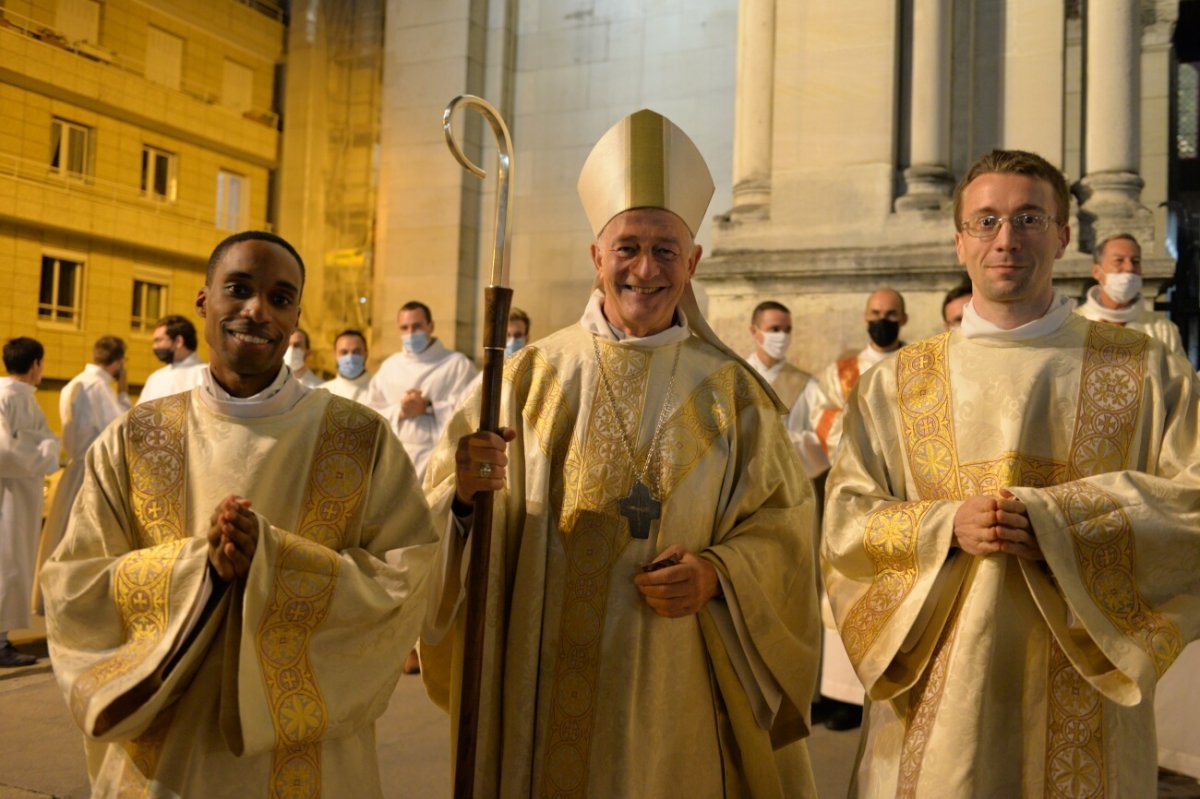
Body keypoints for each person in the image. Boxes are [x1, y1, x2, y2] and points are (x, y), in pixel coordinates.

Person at [420, 109, 821, 796]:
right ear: (597, 257)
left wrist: (719, 572)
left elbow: (786, 527)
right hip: (541, 687)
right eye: (628, 246)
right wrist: (460, 498)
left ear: (693, 263)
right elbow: (435, 516)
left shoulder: (736, 394)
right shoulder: (523, 378)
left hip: (680, 689)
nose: (645, 268)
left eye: (666, 250)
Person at [822, 149, 1200, 796]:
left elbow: (1192, 505)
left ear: (1062, 235)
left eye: (1028, 218)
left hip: (1087, 688)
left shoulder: (1144, 368)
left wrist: (1062, 520)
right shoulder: (897, 384)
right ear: (959, 241)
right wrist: (946, 526)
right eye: (986, 220)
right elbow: (846, 524)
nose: (1006, 239)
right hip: (937, 690)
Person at [41, 231, 438, 797]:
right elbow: (72, 585)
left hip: (306, 760)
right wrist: (199, 570)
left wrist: (275, 561)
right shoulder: (137, 437)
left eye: (280, 298)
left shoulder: (357, 438)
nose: (257, 310)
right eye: (238, 289)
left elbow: (405, 577)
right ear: (205, 300)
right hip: (167, 750)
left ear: (295, 316)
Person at [34, 336, 131, 615]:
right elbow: (120, 428)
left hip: (74, 468)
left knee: (61, 535)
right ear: (118, 363)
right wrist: (123, 393)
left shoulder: (73, 383)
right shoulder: (99, 387)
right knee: (86, 542)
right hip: (92, 470)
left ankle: (51, 598)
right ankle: (78, 604)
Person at [366, 300, 476, 480]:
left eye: (417, 326)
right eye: (404, 328)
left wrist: (428, 407)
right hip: (396, 458)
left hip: (440, 456)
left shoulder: (457, 364)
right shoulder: (389, 367)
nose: (410, 334)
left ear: (431, 326)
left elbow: (470, 410)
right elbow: (371, 413)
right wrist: (401, 411)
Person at [0, 337, 59, 667]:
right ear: (36, 364)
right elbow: (5, 451)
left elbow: (47, 440)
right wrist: (42, 451)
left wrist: (41, 446)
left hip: (20, 496)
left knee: (13, 565)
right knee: (5, 565)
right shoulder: (5, 397)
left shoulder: (25, 399)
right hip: (7, 497)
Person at [814, 288, 908, 458]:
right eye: (875, 313)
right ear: (866, 318)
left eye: (891, 314)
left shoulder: (920, 367)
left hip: (909, 468)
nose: (882, 320)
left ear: (904, 319)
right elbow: (824, 420)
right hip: (860, 469)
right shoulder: (839, 374)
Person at [746, 300, 828, 480]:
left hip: (791, 485)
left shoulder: (808, 385)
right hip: (743, 486)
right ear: (754, 332)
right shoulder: (735, 379)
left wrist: (778, 446)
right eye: (774, 329)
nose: (782, 336)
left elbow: (825, 438)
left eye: (787, 330)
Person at [1075, 233, 1184, 352]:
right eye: (1119, 260)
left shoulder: (1162, 330)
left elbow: (1179, 371)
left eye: (1135, 261)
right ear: (1096, 271)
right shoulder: (1071, 325)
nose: (1129, 268)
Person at [138, 315, 205, 402]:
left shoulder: (205, 375)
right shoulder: (155, 378)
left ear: (178, 341)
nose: (154, 347)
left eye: (159, 340)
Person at [320, 329, 372, 404]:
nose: (350, 357)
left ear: (366, 353)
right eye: (344, 352)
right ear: (335, 354)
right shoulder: (323, 393)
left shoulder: (380, 390)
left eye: (356, 352)